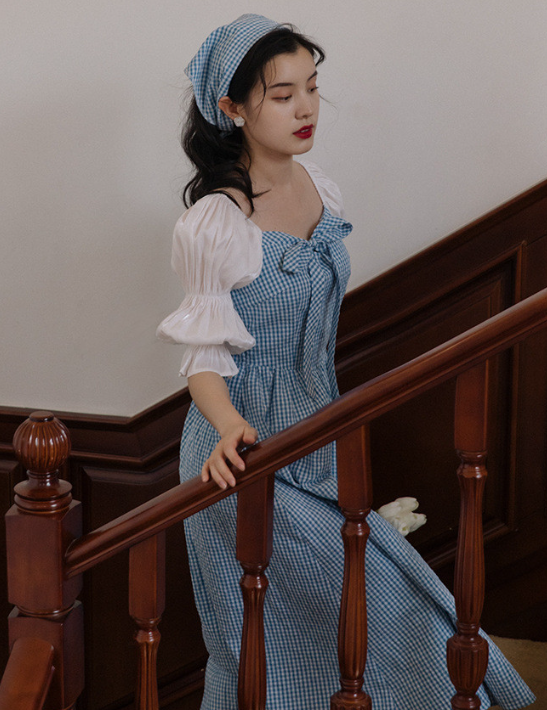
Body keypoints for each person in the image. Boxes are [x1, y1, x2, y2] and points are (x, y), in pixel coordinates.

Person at [157, 13, 535, 710]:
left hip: (319, 432)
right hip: (243, 450)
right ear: (232, 109)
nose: (305, 108)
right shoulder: (214, 223)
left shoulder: (318, 187)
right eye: (281, 95)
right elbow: (203, 358)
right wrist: (230, 427)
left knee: (369, 610)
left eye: (311, 87)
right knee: (280, 637)